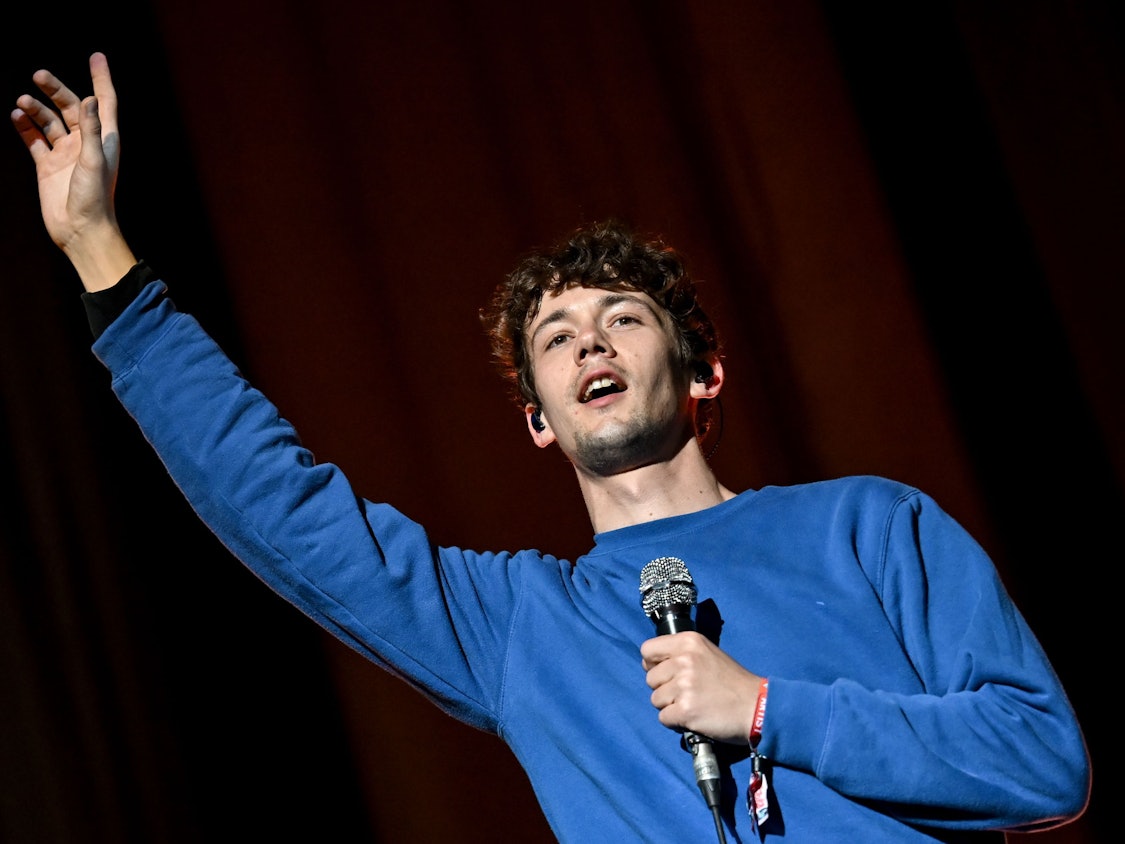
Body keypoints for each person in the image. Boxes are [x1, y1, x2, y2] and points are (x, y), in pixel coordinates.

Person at [11, 52, 1090, 843]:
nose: (589, 345)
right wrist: (104, 256)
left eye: (622, 317)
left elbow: (1042, 759)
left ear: (705, 370)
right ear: (539, 418)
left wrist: (765, 708)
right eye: (555, 340)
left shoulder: (872, 525)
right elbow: (284, 508)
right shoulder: (519, 628)